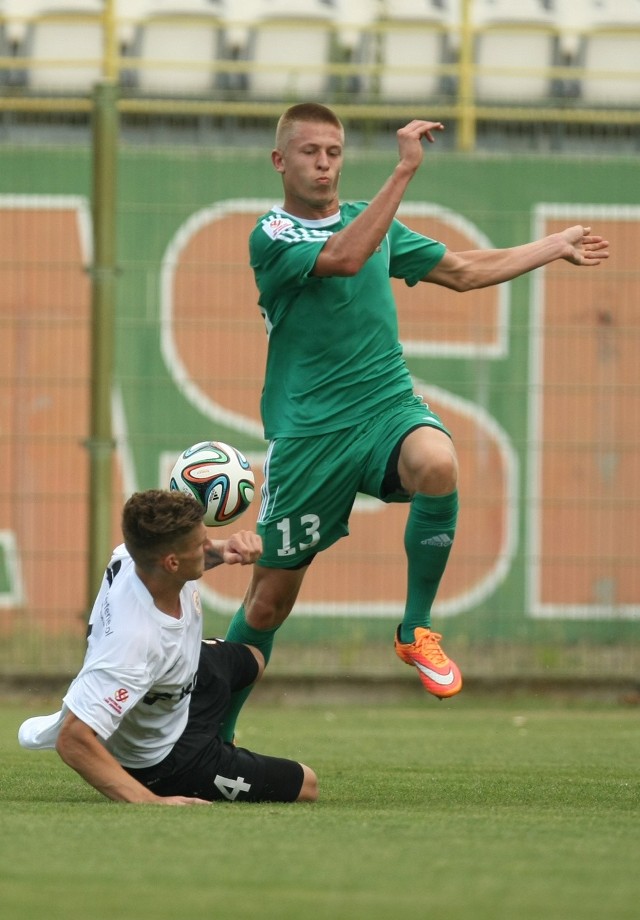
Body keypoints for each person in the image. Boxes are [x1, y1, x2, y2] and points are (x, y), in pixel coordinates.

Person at [221, 102, 610, 741]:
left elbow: (461, 272)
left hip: (384, 406)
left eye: (334, 153)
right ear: (279, 161)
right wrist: (403, 173)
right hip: (311, 435)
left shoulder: (370, 225)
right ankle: (215, 735)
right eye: (310, 152)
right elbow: (344, 258)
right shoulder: (273, 235)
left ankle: (415, 628)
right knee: (269, 601)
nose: (324, 164)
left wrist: (553, 246)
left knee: (436, 461)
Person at [18, 489, 317, 805]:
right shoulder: (133, 646)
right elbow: (73, 739)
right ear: (173, 562)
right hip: (166, 760)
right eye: (202, 545)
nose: (209, 546)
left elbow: (184, 553)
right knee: (307, 785)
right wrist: (151, 801)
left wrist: (225, 550)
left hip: (178, 682)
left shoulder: (134, 556)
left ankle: (214, 734)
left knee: (253, 660)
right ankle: (212, 758)